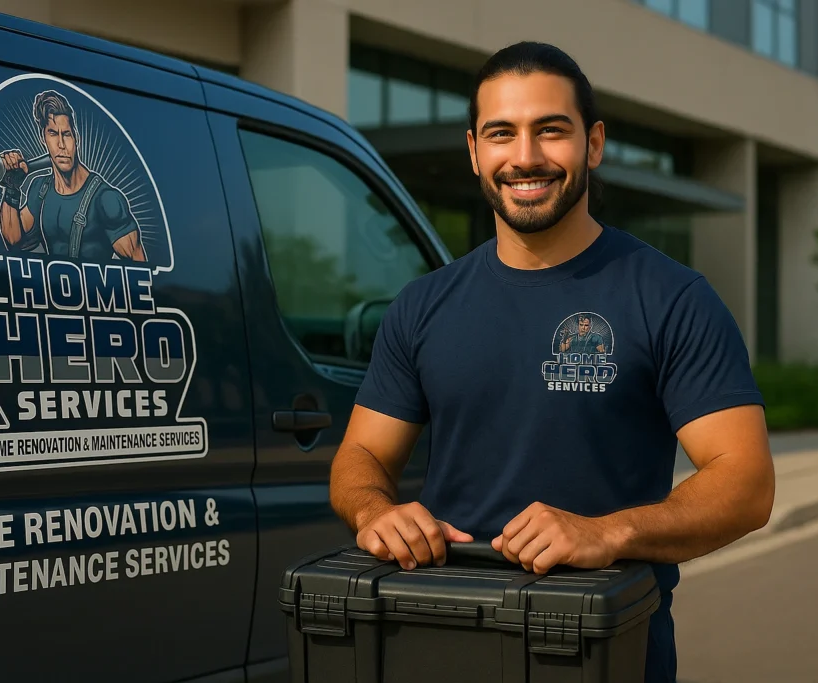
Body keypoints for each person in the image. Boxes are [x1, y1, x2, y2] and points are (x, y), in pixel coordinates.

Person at [328, 41, 775, 683]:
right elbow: (360, 457)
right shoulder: (422, 306)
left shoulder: (671, 298)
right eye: (502, 133)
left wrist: (607, 533)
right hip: (440, 640)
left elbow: (747, 484)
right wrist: (375, 512)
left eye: (551, 131)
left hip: (600, 652)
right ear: (476, 152)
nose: (526, 157)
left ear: (592, 145)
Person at [0, 89, 147, 262]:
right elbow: (14, 241)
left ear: (76, 138)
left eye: (66, 134)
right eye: (53, 134)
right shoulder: (40, 190)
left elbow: (141, 272)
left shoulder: (106, 200)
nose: (61, 144)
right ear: (43, 139)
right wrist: (11, 189)